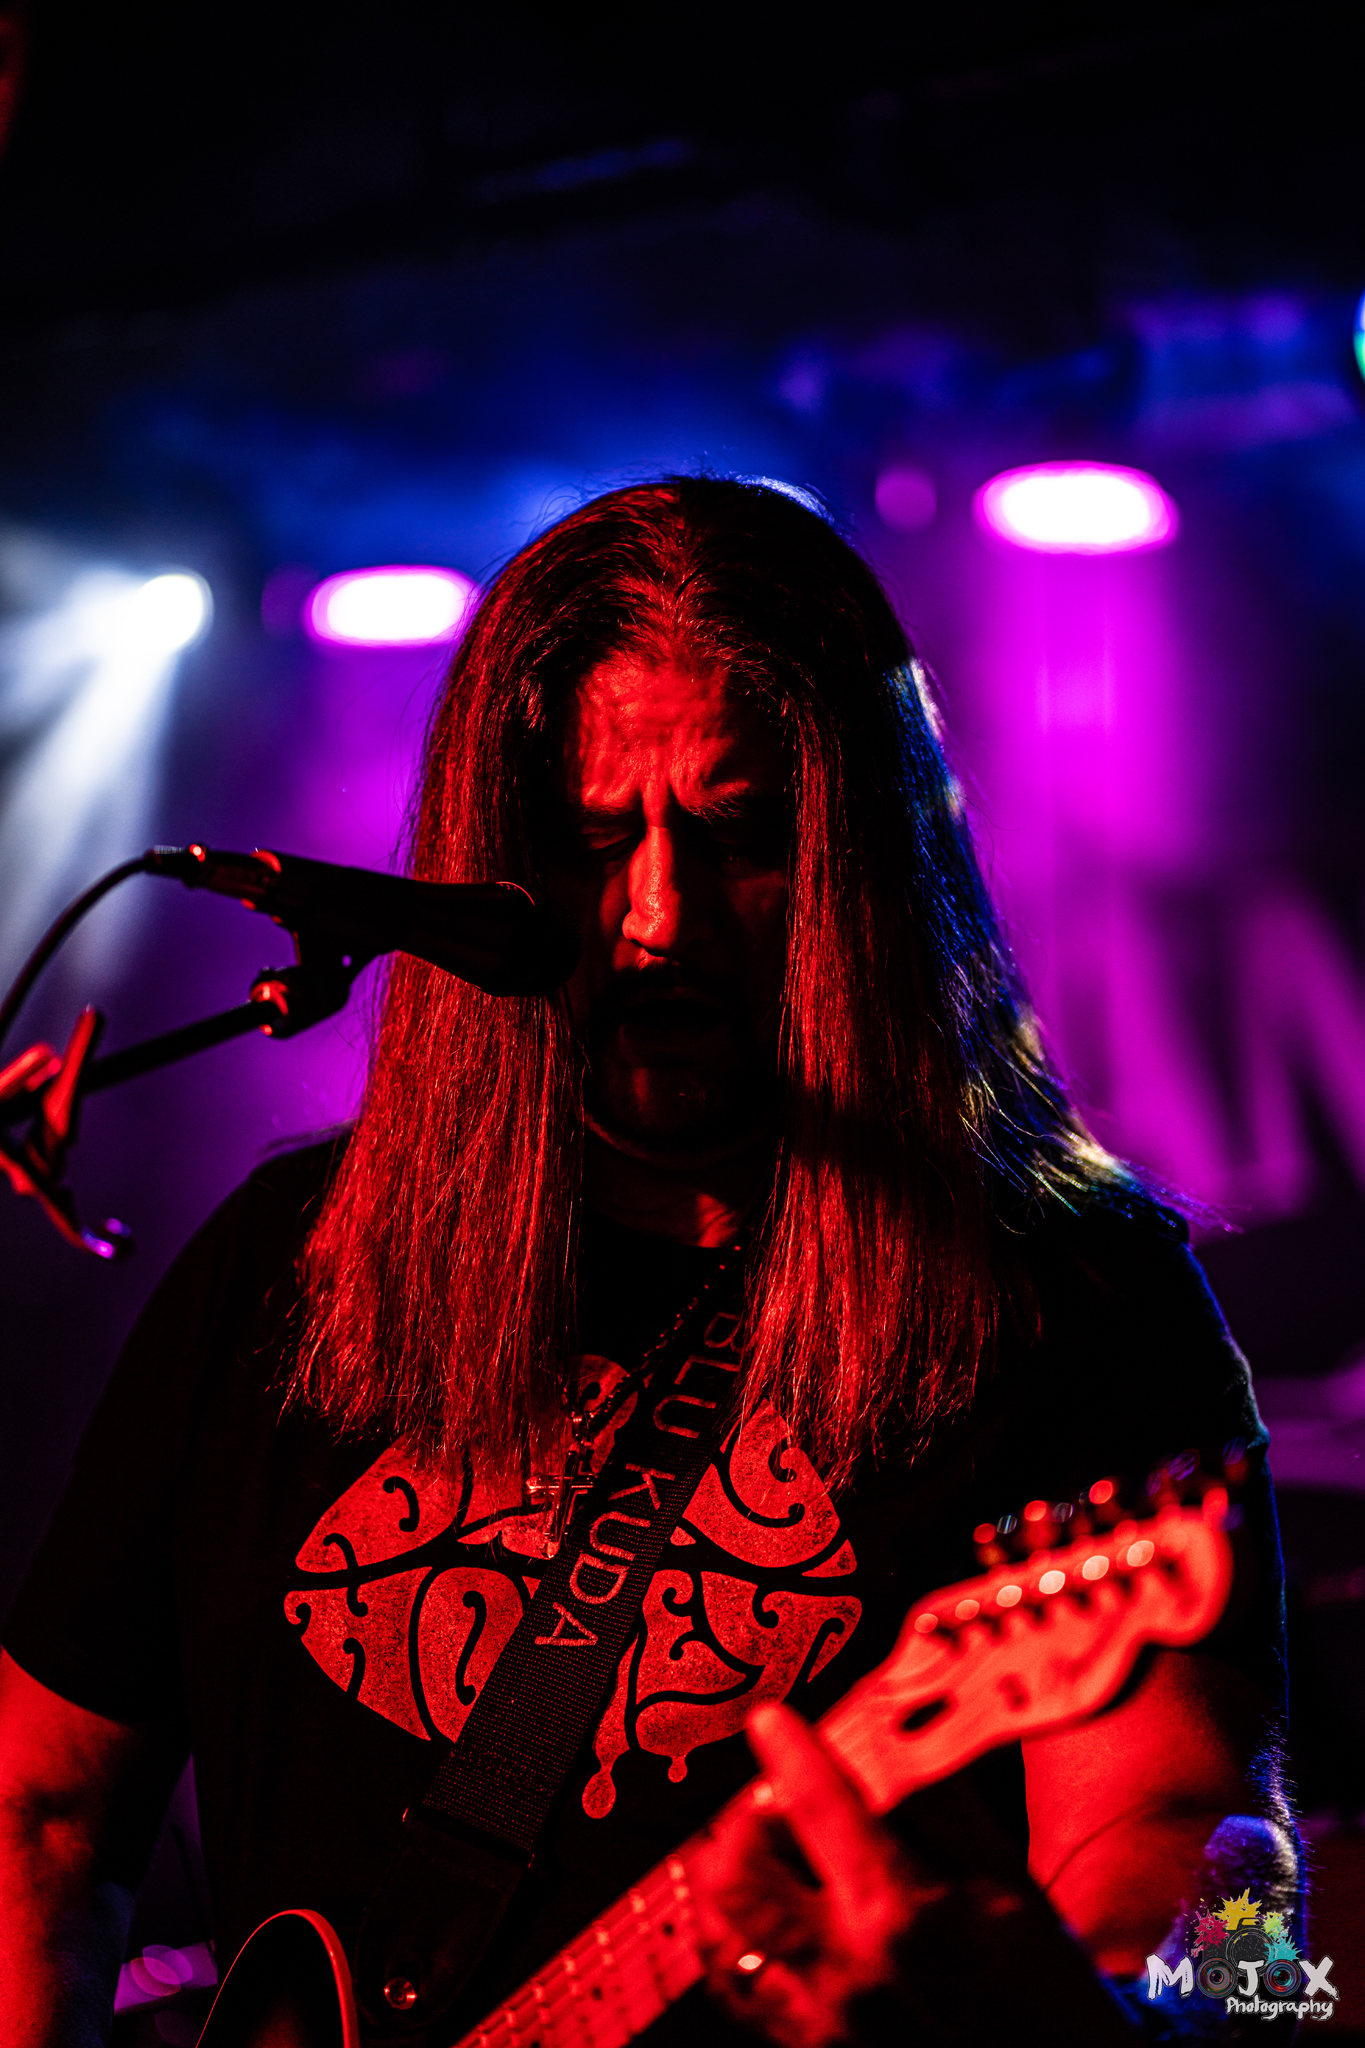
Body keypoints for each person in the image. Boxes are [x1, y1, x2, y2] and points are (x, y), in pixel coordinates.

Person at [0, 476, 1298, 2047]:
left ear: (863, 863)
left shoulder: (1078, 1298)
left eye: (739, 834)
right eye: (589, 837)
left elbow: (1216, 1869)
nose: (658, 917)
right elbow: (39, 1823)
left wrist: (1075, 2018)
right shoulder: (287, 1267)